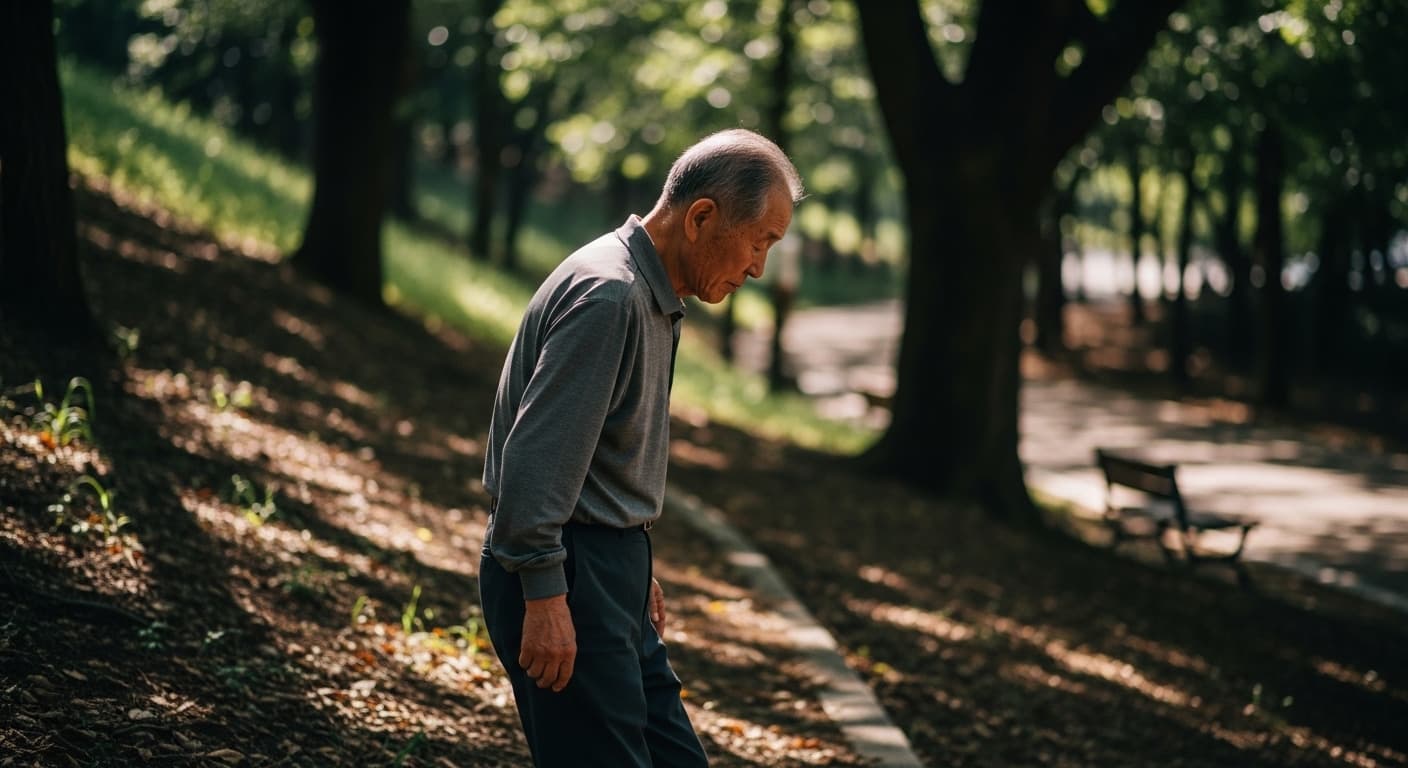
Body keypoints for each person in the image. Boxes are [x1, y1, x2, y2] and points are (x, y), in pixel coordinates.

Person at [478, 128, 803, 767]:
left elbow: (599, 449)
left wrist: (634, 564)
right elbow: (535, 462)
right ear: (702, 217)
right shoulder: (611, 294)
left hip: (606, 571)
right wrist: (546, 594)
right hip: (568, 575)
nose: (758, 267)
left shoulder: (650, 295)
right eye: (759, 241)